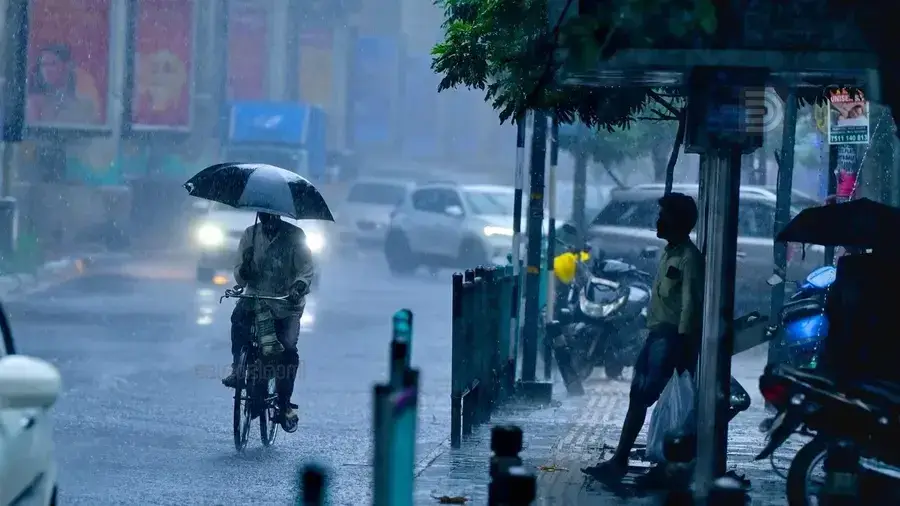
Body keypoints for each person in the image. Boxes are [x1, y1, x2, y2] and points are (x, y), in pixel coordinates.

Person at [583, 192, 704, 482]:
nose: (658, 221)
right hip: (657, 336)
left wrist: (684, 349)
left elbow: (691, 305)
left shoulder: (689, 258)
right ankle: (621, 459)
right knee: (638, 397)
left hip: (672, 339)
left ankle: (659, 467)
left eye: (663, 216)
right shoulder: (669, 253)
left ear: (678, 221)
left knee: (660, 401)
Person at [222, 212, 315, 429]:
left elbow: (306, 270)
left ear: (278, 215)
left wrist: (298, 286)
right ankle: (238, 369)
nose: (267, 220)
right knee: (238, 320)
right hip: (255, 298)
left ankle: (283, 405)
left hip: (285, 303)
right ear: (260, 214)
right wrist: (245, 266)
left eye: (271, 216)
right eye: (263, 215)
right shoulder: (249, 235)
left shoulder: (295, 236)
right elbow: (240, 276)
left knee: (288, 351)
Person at [27, 44, 99, 124]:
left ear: (67, 66)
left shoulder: (85, 102)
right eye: (43, 64)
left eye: (52, 64)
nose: (46, 69)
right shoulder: (34, 102)